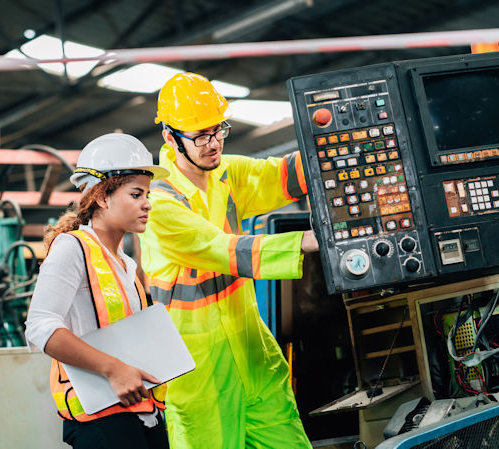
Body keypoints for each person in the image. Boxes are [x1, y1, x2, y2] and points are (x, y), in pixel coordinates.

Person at [139, 72, 319, 449]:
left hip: (253, 356)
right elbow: (223, 249)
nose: (213, 143)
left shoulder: (224, 174)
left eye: (218, 130)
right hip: (201, 374)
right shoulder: (159, 205)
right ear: (170, 138)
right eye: (200, 135)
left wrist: (341, 146)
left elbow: (280, 175)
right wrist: (306, 241)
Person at [25, 133, 171, 449]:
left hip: (141, 410)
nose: (147, 203)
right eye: (136, 194)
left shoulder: (126, 264)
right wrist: (114, 370)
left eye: (147, 194)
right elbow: (39, 327)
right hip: (100, 416)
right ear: (103, 197)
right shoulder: (72, 248)